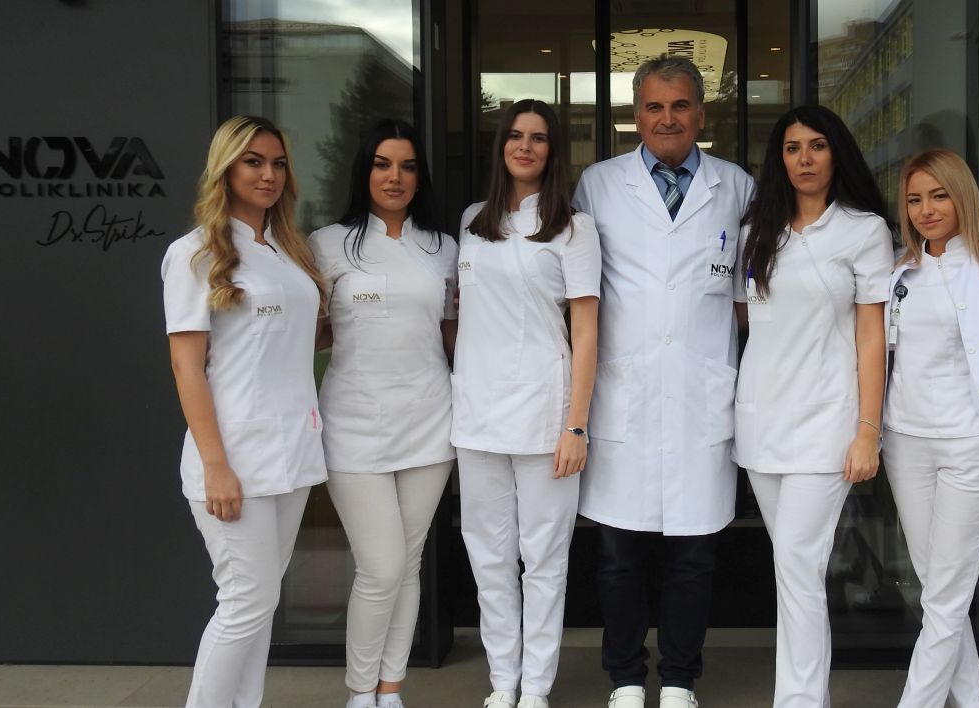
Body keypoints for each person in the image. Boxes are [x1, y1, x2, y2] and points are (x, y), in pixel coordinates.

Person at [572, 54, 754, 708]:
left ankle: (678, 679)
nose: (667, 118)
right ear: (636, 114)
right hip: (625, 392)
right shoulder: (597, 185)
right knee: (618, 556)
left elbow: (751, 297)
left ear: (701, 114)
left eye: (680, 106)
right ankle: (625, 677)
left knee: (694, 557)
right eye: (654, 106)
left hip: (701, 394)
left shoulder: (737, 187)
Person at [161, 115, 328, 708]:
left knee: (262, 600)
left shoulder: (286, 250)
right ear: (225, 169)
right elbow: (187, 368)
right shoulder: (195, 254)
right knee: (245, 600)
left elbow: (293, 343)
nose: (268, 175)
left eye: (278, 163)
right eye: (253, 162)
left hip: (292, 450)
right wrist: (216, 466)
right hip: (232, 456)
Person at [733, 105, 894, 708]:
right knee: (792, 568)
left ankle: (797, 701)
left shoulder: (864, 231)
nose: (805, 159)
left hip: (827, 423)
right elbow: (748, 321)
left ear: (836, 153)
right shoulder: (757, 231)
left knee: (798, 565)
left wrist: (868, 429)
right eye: (793, 148)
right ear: (779, 159)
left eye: (817, 146)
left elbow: (872, 338)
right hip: (761, 423)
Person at [453, 99, 601, 708]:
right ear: (501, 146)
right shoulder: (471, 221)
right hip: (476, 417)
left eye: (538, 138)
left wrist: (576, 425)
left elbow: (587, 331)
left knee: (544, 560)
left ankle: (535, 687)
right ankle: (502, 683)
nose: (525, 146)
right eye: (515, 135)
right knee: (489, 558)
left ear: (553, 151)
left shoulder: (574, 227)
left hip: (546, 415)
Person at [309, 120, 457, 708]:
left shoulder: (443, 248)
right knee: (381, 566)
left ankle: (390, 690)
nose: (395, 177)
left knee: (409, 562)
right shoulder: (327, 244)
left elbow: (453, 335)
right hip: (353, 423)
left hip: (430, 420)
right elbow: (310, 332)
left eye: (407, 166)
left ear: (420, 177)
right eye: (382, 164)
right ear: (364, 171)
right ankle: (358, 692)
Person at [884, 148, 979, 708]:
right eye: (914, 199)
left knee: (945, 597)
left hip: (972, 444)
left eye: (938, 195)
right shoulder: (898, 271)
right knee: (938, 591)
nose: (926, 210)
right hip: (906, 443)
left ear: (962, 196)